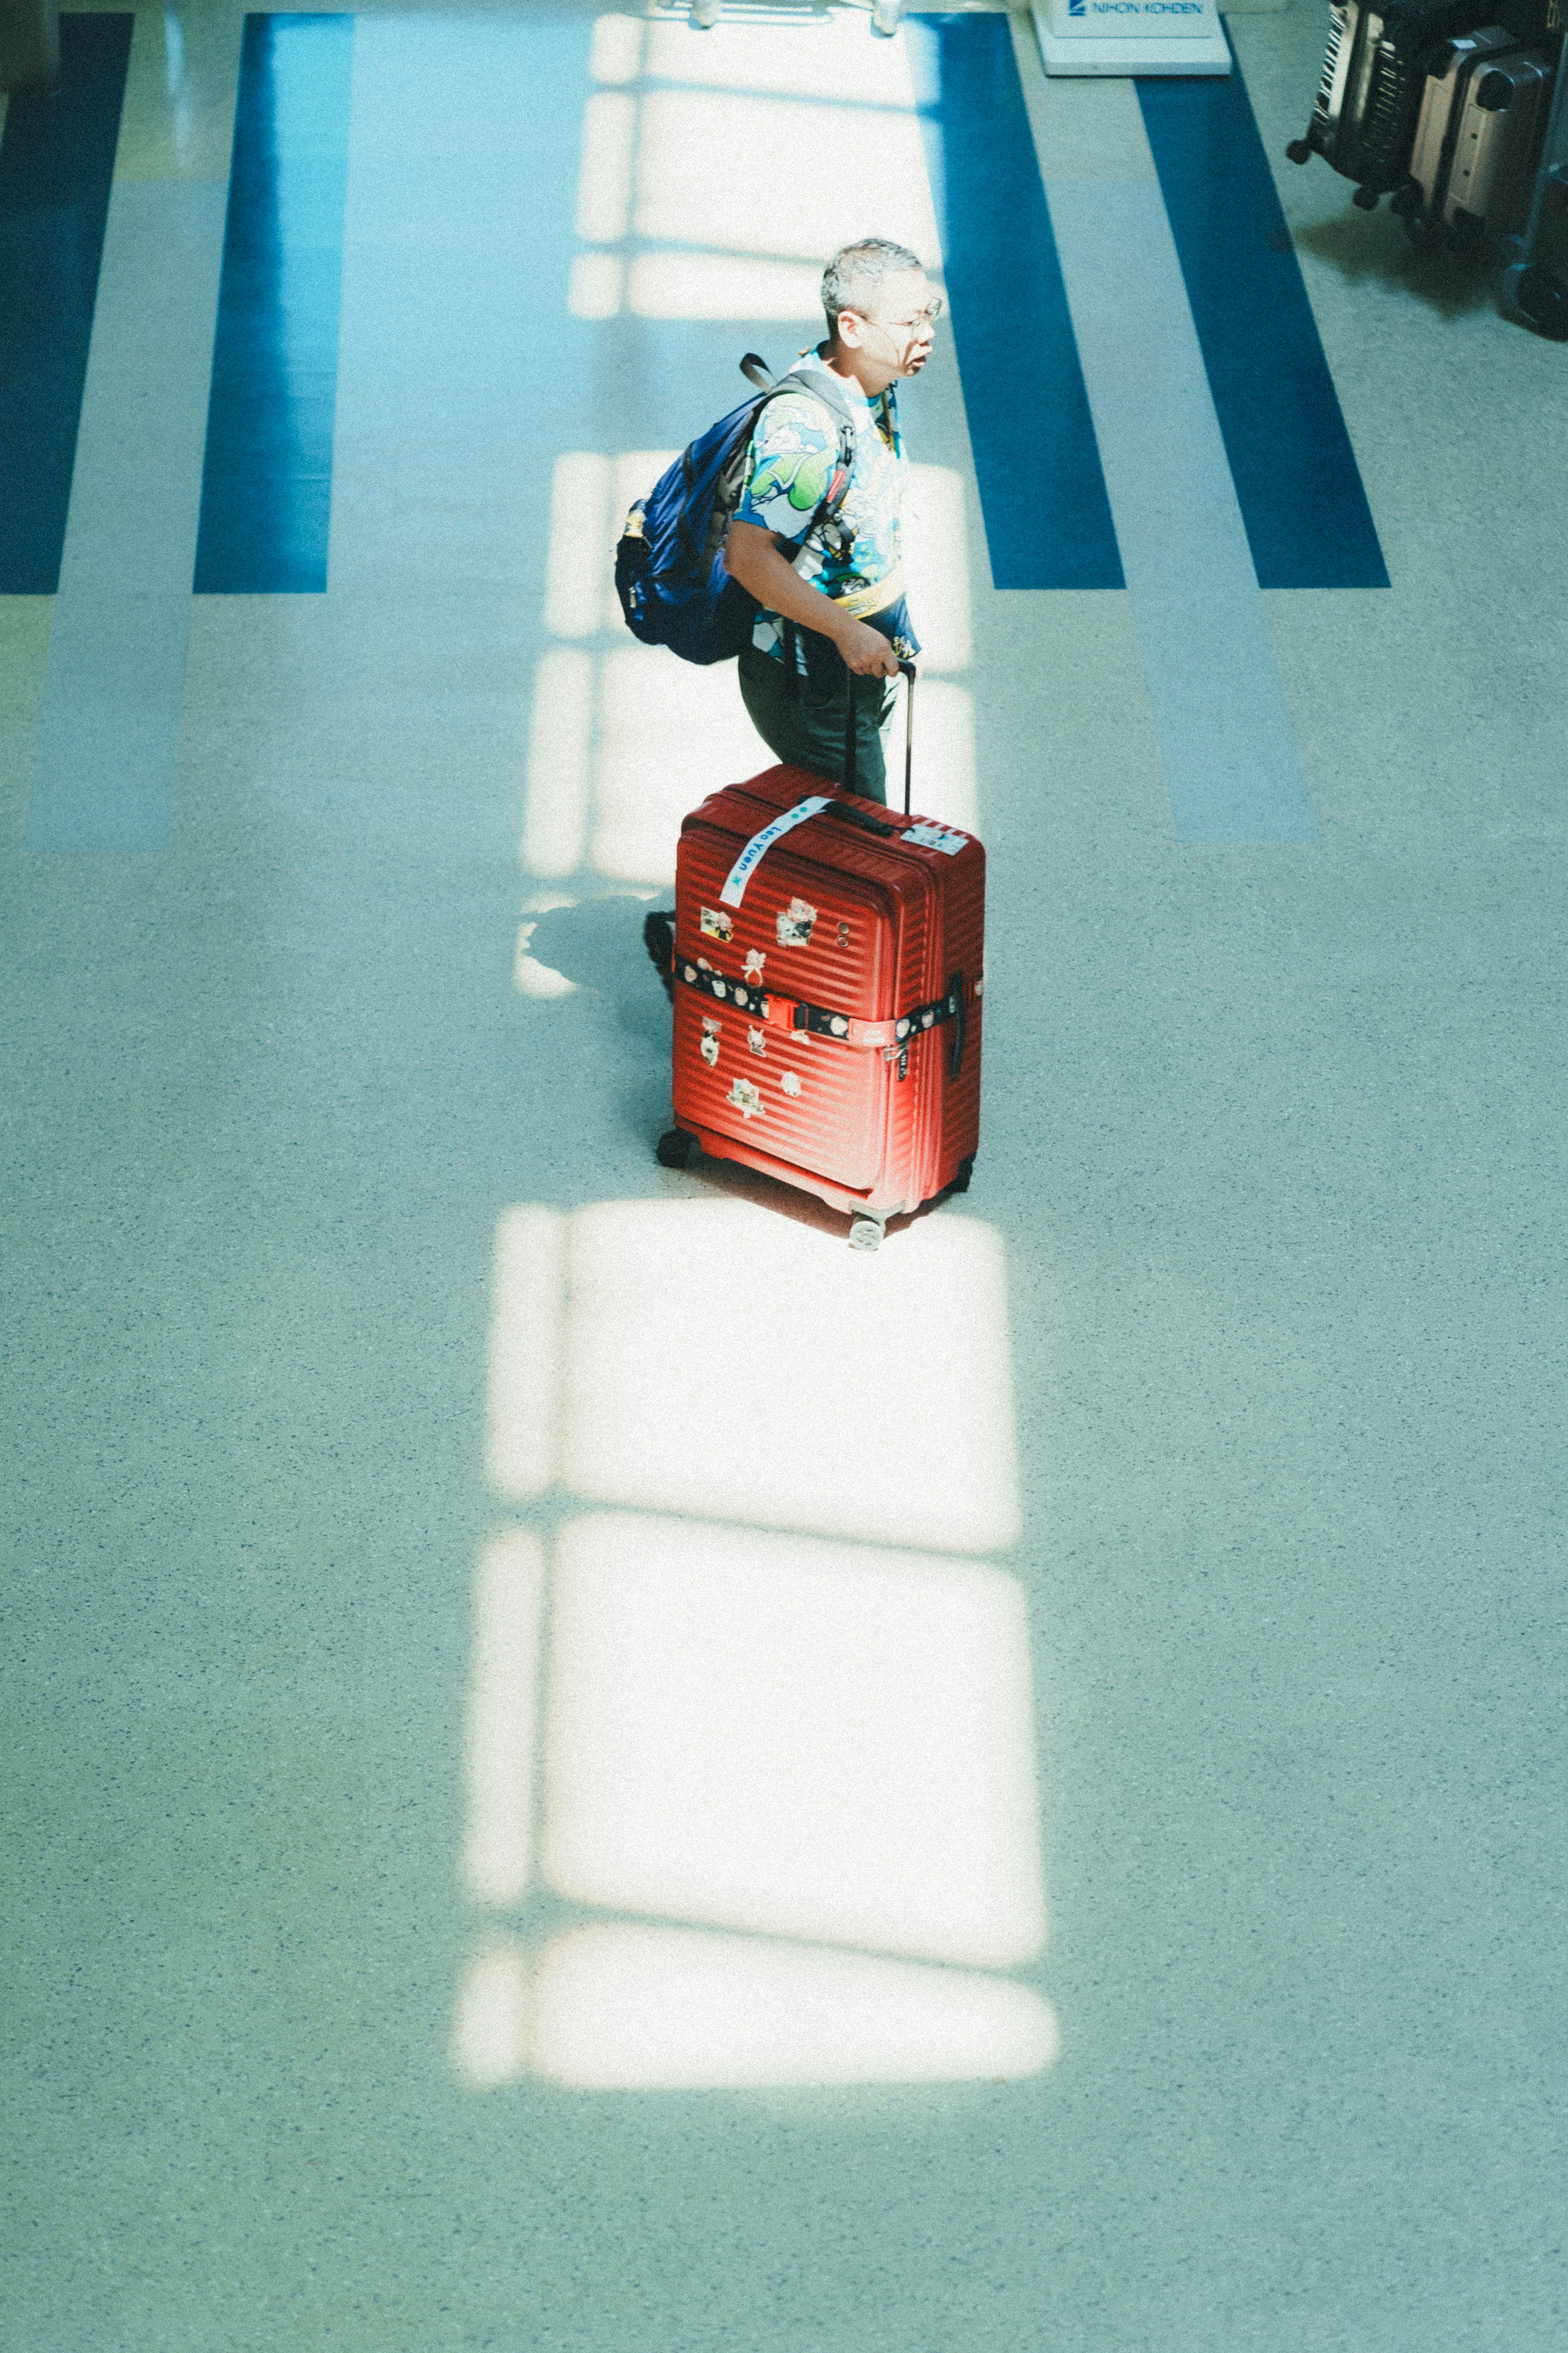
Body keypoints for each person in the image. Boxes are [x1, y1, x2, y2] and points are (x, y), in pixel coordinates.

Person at [723, 236, 940, 808]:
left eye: (931, 313)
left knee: (851, 816)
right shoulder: (806, 431)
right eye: (910, 320)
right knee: (857, 829)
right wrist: (846, 631)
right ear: (852, 329)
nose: (928, 333)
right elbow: (747, 556)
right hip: (810, 674)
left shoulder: (873, 382)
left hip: (868, 648)